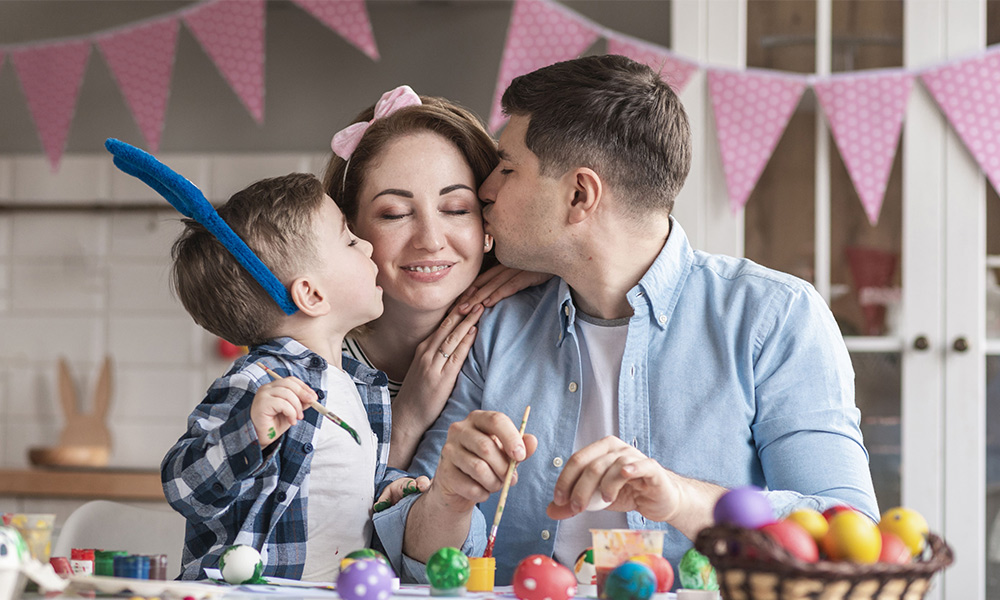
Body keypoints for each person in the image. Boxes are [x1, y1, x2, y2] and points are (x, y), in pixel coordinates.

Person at [372, 54, 879, 586]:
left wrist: (681, 498)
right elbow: (412, 554)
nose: (485, 190)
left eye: (507, 167)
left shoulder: (773, 317)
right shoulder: (495, 323)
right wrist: (448, 501)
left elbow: (848, 533)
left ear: (579, 195)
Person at [161, 173, 401, 581]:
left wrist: (391, 490)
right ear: (312, 295)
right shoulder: (260, 381)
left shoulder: (360, 387)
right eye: (348, 239)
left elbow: (336, 484)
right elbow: (182, 485)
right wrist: (248, 435)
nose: (368, 244)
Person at [321, 86, 546, 470]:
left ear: (488, 217)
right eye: (394, 214)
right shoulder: (313, 365)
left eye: (456, 209)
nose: (430, 240)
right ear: (349, 228)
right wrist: (407, 419)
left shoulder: (529, 330)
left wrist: (545, 263)